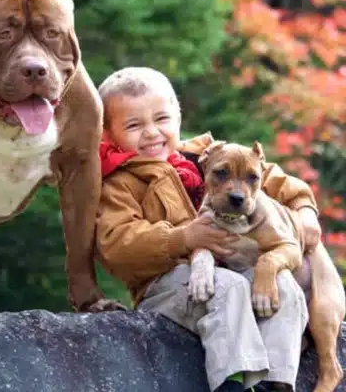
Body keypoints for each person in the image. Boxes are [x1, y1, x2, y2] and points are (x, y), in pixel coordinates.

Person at [95, 67, 321, 392]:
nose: (151, 133)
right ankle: (233, 385)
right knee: (226, 288)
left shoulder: (207, 155)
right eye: (133, 125)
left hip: (230, 266)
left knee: (282, 285)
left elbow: (269, 174)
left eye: (161, 119)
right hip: (166, 285)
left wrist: (304, 208)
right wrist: (181, 238)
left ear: (178, 115)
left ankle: (277, 383)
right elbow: (117, 246)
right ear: (107, 133)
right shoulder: (119, 182)